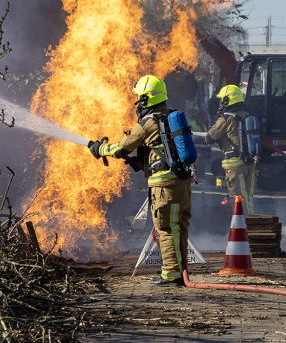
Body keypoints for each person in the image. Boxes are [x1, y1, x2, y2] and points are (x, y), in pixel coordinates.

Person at [87, 75, 193, 287]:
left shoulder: (148, 122)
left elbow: (120, 148)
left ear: (146, 99)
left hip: (164, 186)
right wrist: (141, 162)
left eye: (138, 98)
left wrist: (100, 149)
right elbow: (164, 150)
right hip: (182, 182)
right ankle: (181, 271)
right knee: (179, 227)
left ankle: (172, 274)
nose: (136, 103)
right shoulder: (170, 117)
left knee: (165, 228)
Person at [206, 84, 258, 214]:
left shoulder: (226, 119)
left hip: (235, 166)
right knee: (248, 198)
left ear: (227, 100)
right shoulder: (247, 116)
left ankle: (241, 225)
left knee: (238, 199)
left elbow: (209, 137)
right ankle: (251, 222)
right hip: (250, 164)